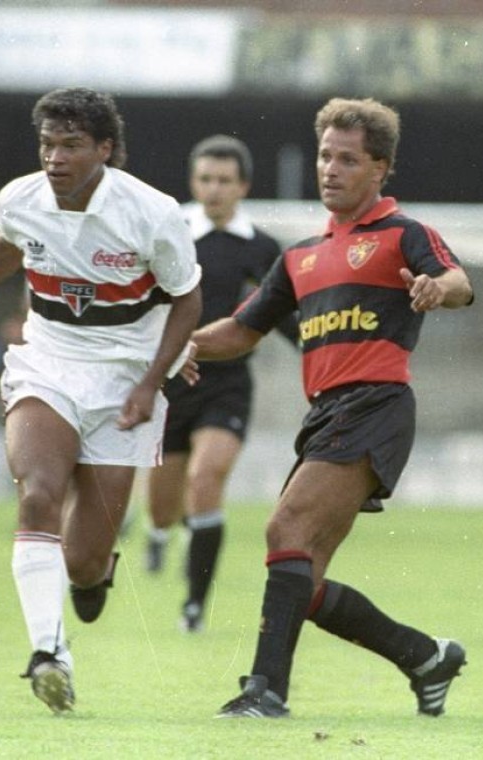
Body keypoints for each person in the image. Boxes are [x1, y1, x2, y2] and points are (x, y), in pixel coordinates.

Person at [0, 87, 202, 714]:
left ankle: (93, 575)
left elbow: (187, 299)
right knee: (39, 491)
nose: (55, 156)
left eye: (71, 144)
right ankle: (50, 654)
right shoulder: (19, 197)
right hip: (46, 363)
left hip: (125, 377)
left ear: (106, 149)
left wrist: (151, 380)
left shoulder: (150, 213)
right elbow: (10, 239)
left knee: (83, 561)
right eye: (48, 143)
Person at [193, 98, 474, 719]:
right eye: (325, 156)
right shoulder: (298, 256)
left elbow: (459, 284)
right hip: (325, 415)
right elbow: (242, 329)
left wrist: (436, 287)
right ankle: (427, 657)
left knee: (282, 530)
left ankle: (264, 692)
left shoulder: (404, 235)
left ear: (381, 168)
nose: (331, 169)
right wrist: (176, 349)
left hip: (376, 404)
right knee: (305, 583)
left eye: (348, 159)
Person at [144, 134, 299, 634]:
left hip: (227, 382)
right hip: (170, 381)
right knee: (165, 506)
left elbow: (280, 311)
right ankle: (157, 531)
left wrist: (316, 348)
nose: (214, 190)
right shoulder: (168, 234)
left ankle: (194, 605)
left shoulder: (259, 247)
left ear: (243, 187)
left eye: (224, 181)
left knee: (205, 482)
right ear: (193, 182)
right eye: (205, 179)